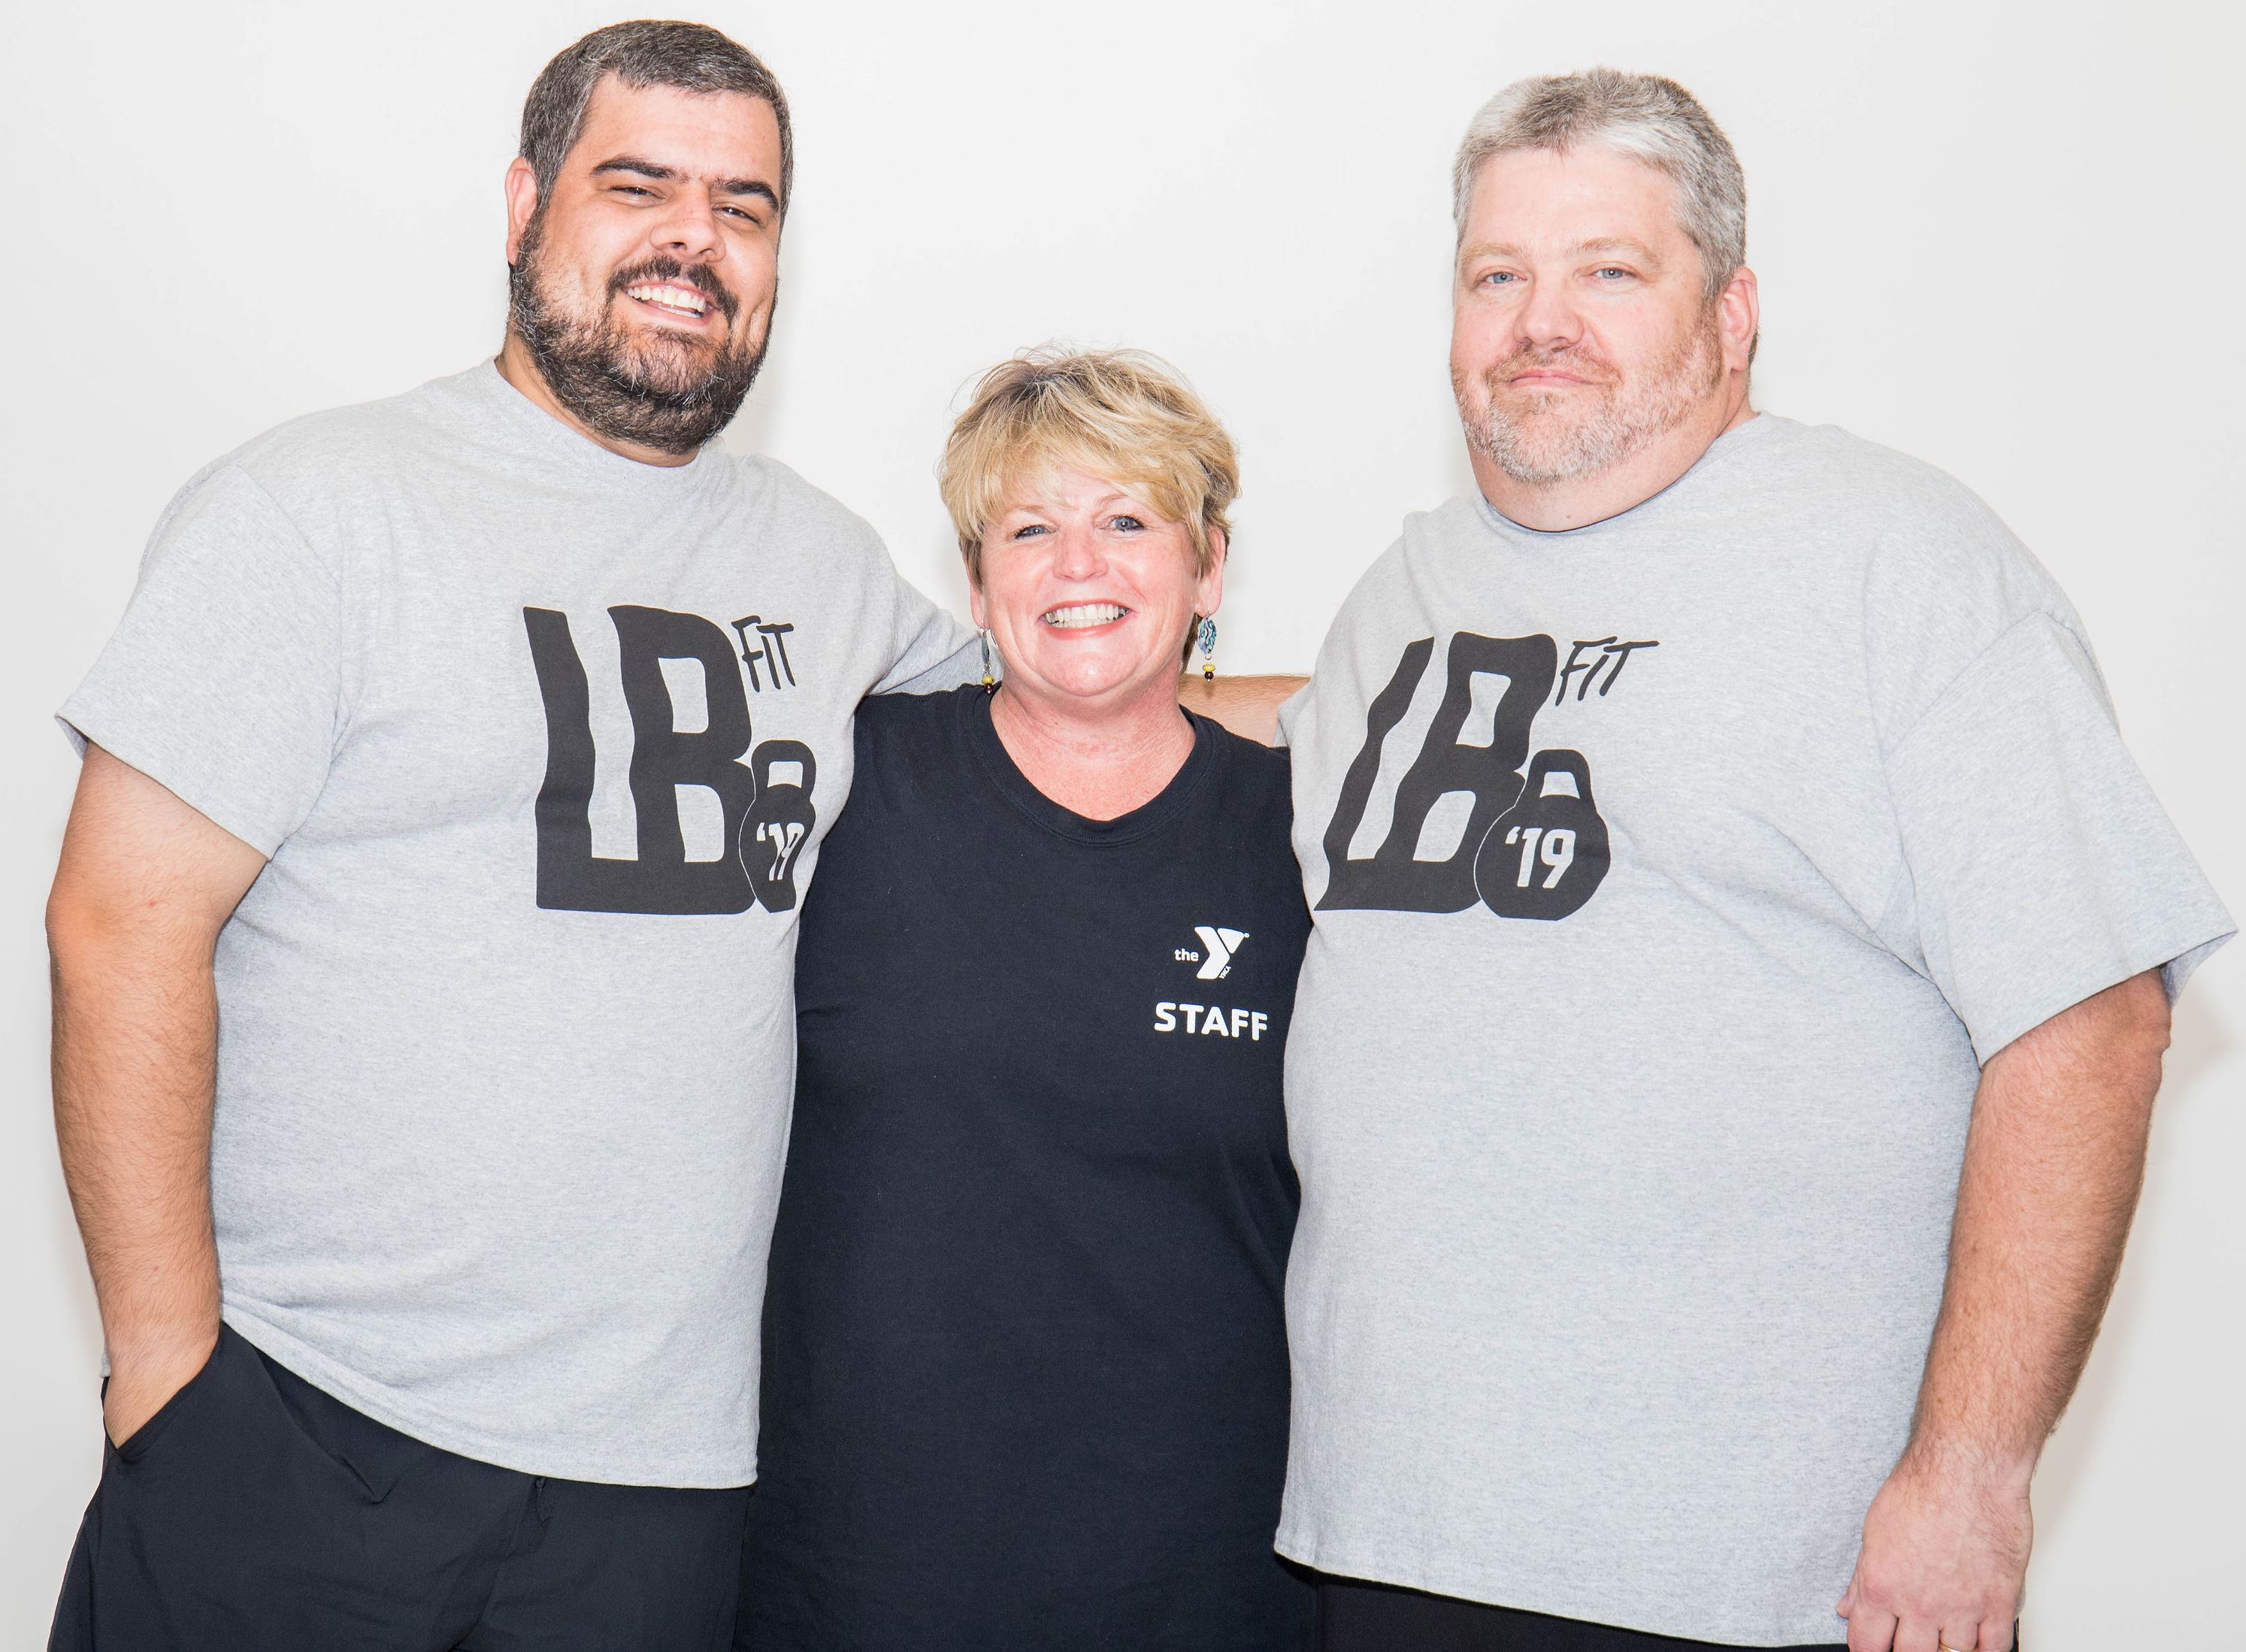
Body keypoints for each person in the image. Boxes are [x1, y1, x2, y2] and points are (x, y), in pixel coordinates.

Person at [44, 22, 989, 1649]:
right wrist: (167, 1376)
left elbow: (1077, 706)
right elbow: (118, 927)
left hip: (664, 1487)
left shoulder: (825, 565)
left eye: (744, 208)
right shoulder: (319, 508)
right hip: (304, 1426)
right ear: (523, 203)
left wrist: (1347, 717)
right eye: (640, 187)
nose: (694, 241)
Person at [1272, 69, 2233, 1652]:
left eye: (1610, 270)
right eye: (1497, 274)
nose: (1540, 320)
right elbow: (1271, 744)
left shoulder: (1897, 563)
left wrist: (1972, 1476)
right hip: (1391, 1539)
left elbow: (2094, 1016)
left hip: (1758, 1574)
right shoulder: (1409, 589)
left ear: (1734, 313)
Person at [737, 349, 1314, 1652]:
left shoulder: (1307, 840)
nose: (1079, 565)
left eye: (1128, 521)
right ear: (978, 576)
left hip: (1207, 1569)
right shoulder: (845, 790)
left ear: (1208, 565)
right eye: (1030, 528)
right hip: (859, 1567)